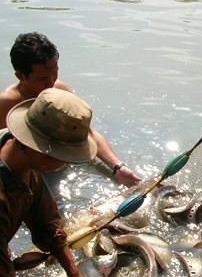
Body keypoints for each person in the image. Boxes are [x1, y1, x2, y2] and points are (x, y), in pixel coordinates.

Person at [0, 88, 103, 277]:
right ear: (39, 151)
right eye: (65, 159)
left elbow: (48, 224)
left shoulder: (25, 162)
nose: (66, 164)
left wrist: (74, 275)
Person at [0, 32, 141, 186]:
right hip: (32, 175)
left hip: (63, 166)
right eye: (43, 79)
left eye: (55, 74)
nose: (51, 83)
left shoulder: (59, 90)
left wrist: (117, 167)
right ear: (20, 76)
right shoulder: (6, 104)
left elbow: (87, 133)